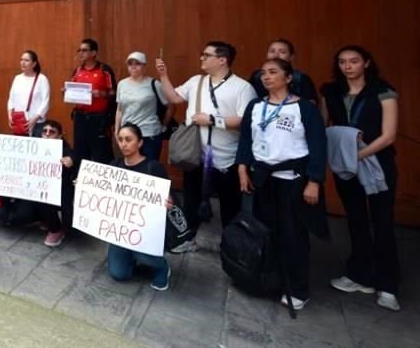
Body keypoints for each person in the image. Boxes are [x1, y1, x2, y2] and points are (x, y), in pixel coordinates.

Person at [236, 58, 327, 310]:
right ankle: (270, 280)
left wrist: (314, 180)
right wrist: (242, 167)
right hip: (262, 178)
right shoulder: (256, 106)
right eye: (263, 73)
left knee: (293, 235)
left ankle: (297, 288)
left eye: (273, 72)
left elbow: (318, 146)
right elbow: (246, 139)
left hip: (292, 180)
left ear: (288, 78)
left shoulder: (304, 108)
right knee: (266, 232)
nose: (266, 77)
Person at [321, 45, 401, 312]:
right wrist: (341, 156)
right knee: (356, 219)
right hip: (346, 166)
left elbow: (388, 136)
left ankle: (388, 285)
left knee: (382, 221)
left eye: (354, 61)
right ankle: (360, 275)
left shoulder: (383, 91)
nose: (348, 66)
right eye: (342, 62)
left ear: (366, 63)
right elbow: (324, 125)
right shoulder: (331, 91)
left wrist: (357, 155)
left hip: (377, 163)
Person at [156, 41, 257, 251]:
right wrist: (163, 76)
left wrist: (212, 120)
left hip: (226, 159)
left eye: (206, 55)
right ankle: (188, 239)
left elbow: (245, 120)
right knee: (191, 200)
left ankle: (231, 246)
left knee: (230, 206)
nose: (202, 58)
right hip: (196, 155)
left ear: (222, 60)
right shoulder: (197, 81)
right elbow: (173, 97)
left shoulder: (242, 87)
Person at [107, 124, 172, 291]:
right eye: (120, 140)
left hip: (146, 230)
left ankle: (161, 267)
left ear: (140, 143)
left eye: (128, 139)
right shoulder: (114, 165)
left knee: (142, 251)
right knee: (118, 273)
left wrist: (168, 203)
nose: (123, 144)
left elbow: (170, 198)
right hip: (122, 230)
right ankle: (133, 258)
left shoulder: (153, 167)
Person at [114, 51, 174, 162]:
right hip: (128, 134)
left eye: (137, 63)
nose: (133, 66)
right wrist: (117, 130)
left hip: (148, 133)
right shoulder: (122, 84)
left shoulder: (154, 84)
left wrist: (163, 125)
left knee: (149, 166)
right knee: (130, 166)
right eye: (130, 63)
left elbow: (170, 106)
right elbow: (119, 109)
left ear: (144, 66)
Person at [65, 38, 117, 165]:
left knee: (101, 153)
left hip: (99, 118)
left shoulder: (104, 70)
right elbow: (73, 88)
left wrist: (102, 94)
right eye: (79, 50)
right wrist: (67, 91)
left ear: (93, 53)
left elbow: (114, 93)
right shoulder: (78, 70)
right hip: (81, 117)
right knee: (80, 151)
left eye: (84, 50)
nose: (80, 53)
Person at [39, 120, 77, 246]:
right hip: (40, 189)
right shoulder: (34, 147)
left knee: (71, 226)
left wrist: (72, 162)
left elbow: (76, 158)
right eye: (44, 131)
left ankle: (57, 229)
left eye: (52, 132)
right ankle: (50, 224)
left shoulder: (66, 150)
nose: (47, 134)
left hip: (63, 191)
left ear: (60, 136)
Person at [249, 39, 318, 102]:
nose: (276, 55)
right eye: (272, 51)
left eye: (282, 52)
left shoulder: (300, 78)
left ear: (291, 57)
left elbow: (311, 105)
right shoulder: (257, 76)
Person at [7, 50, 51, 137]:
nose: (23, 63)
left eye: (26, 60)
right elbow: (11, 99)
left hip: (36, 123)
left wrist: (35, 118)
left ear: (34, 64)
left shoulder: (42, 79)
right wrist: (10, 115)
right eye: (21, 60)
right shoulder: (17, 78)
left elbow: (46, 101)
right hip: (19, 122)